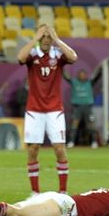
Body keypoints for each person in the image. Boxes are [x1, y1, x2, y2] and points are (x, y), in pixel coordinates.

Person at [17, 24, 78, 195]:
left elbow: (73, 57)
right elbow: (20, 58)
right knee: (33, 149)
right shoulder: (33, 54)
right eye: (43, 36)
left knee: (59, 148)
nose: (45, 40)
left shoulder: (58, 55)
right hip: (34, 110)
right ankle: (35, 192)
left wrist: (57, 39)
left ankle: (63, 192)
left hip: (54, 110)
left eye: (48, 37)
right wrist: (34, 39)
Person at [64, 68, 100, 148]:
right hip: (77, 108)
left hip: (87, 107)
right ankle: (71, 142)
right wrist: (61, 67)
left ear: (86, 76)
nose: (82, 76)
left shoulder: (89, 83)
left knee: (91, 125)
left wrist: (100, 69)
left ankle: (94, 142)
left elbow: (98, 76)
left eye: (84, 75)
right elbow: (66, 77)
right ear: (78, 76)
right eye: (81, 74)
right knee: (74, 125)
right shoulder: (74, 82)